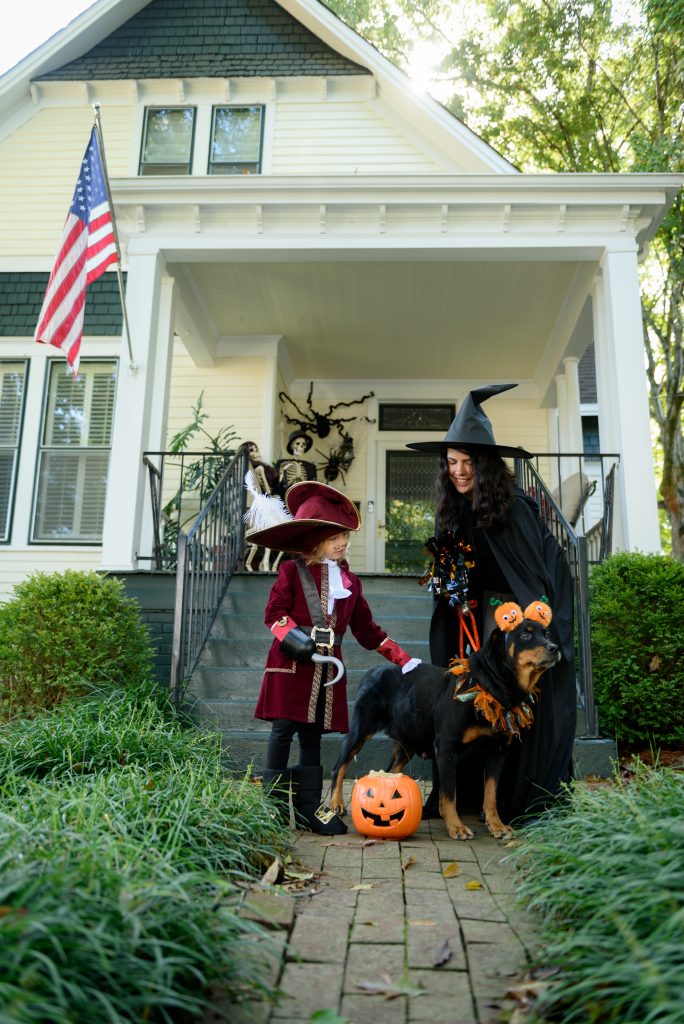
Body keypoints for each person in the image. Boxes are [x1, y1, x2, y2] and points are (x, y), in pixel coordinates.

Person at [407, 383, 576, 824]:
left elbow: (533, 576)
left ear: (485, 465)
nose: (460, 472)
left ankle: (511, 800)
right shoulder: (453, 507)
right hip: (476, 615)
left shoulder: (514, 507)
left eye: (468, 463)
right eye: (452, 463)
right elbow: (456, 565)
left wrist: (521, 619)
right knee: (465, 699)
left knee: (513, 699)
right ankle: (459, 797)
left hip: (518, 615)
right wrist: (454, 591)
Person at [245, 481, 421, 835]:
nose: (342, 542)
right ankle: (275, 808)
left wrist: (402, 659)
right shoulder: (291, 572)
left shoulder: (351, 583)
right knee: (283, 730)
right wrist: (296, 640)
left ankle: (310, 808)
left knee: (312, 735)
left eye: (344, 536)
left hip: (328, 669)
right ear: (315, 540)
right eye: (334, 536)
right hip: (291, 662)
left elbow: (367, 630)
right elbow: (273, 614)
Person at [274, 429, 318, 497]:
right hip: (285, 497)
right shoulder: (281, 463)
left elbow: (312, 489)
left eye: (304, 444)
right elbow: (276, 485)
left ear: (305, 447)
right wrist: (283, 472)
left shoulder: (311, 467)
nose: (301, 446)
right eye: (298, 443)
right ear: (292, 446)